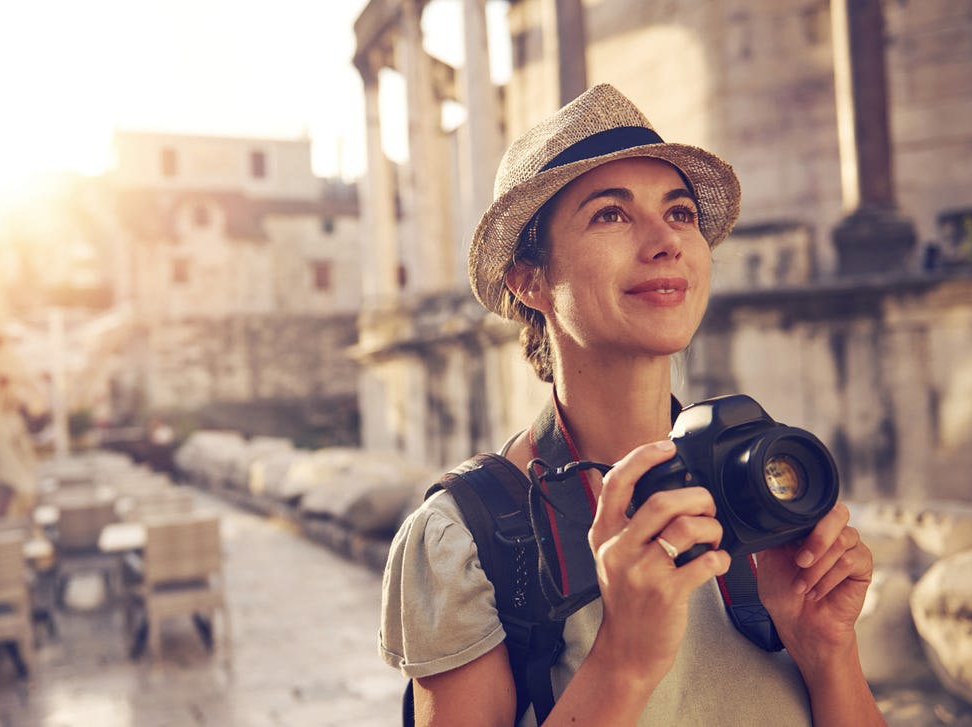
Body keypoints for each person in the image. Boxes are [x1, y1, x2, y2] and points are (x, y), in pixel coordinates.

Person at [379, 84, 884, 726]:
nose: (666, 241)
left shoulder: (763, 484)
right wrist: (625, 659)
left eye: (680, 214)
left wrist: (827, 652)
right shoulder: (468, 536)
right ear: (528, 279)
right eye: (611, 215)